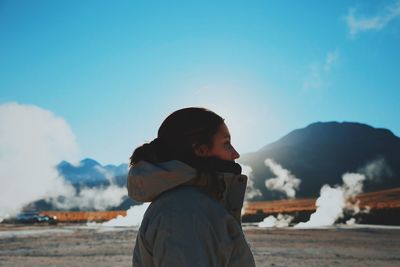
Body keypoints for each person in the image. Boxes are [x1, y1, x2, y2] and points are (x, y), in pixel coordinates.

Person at [127, 107, 256, 267]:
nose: (235, 154)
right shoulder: (186, 211)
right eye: (226, 144)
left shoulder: (192, 204)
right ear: (201, 150)